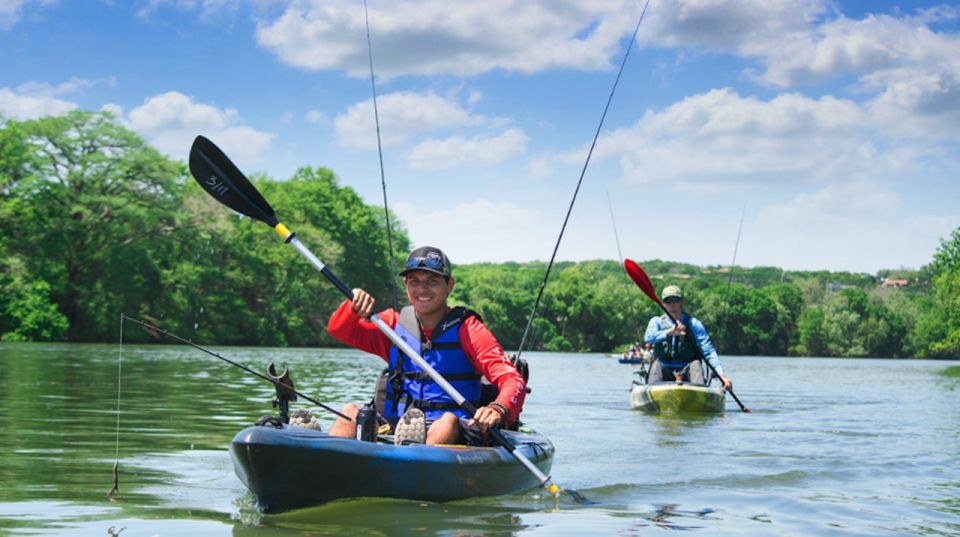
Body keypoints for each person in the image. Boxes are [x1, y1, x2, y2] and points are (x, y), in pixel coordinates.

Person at [326, 246, 526, 446]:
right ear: (406, 285)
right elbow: (340, 330)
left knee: (446, 423)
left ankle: (412, 459)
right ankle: (325, 469)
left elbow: (512, 379)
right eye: (414, 281)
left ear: (449, 285)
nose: (422, 289)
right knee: (349, 413)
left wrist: (498, 408)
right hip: (395, 424)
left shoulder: (469, 329)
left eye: (433, 281)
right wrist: (352, 306)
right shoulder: (392, 325)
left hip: (453, 427)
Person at [643, 285, 733, 390]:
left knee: (696, 364)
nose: (672, 304)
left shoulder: (694, 324)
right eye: (668, 300)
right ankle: (653, 392)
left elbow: (708, 352)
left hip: (688, 368)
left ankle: (699, 392)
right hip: (663, 367)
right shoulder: (656, 321)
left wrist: (721, 375)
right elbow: (648, 338)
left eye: (675, 300)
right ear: (663, 304)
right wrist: (669, 333)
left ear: (682, 301)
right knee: (657, 364)